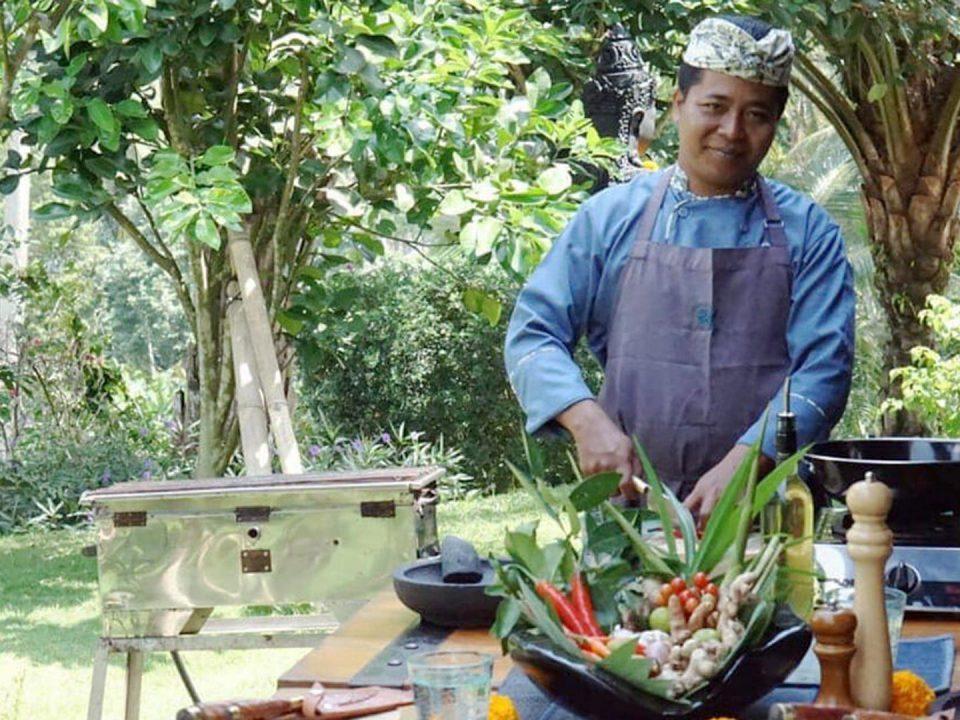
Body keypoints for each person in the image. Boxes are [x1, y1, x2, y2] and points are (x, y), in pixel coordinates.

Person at [503, 15, 855, 520]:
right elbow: (533, 336)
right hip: (630, 515)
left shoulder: (810, 233)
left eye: (756, 114)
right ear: (679, 103)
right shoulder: (609, 219)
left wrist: (749, 460)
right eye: (714, 106)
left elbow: (823, 369)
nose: (732, 131)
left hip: (768, 514)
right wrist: (585, 420)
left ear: (775, 123)